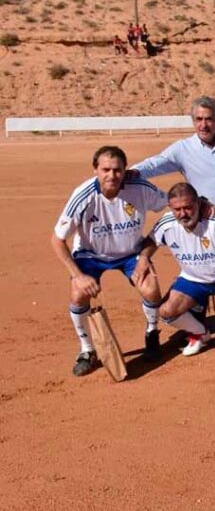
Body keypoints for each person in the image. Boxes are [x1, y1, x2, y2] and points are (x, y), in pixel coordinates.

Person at [50, 146, 168, 376]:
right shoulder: (83, 195)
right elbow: (56, 239)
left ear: (126, 170)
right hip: (91, 255)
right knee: (78, 294)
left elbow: (171, 203)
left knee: (151, 289)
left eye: (117, 170)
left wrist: (147, 252)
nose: (111, 175)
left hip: (130, 253)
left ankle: (152, 333)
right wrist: (79, 276)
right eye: (105, 169)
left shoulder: (140, 188)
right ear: (95, 169)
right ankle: (86, 349)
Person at [141, 183, 215, 358]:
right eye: (177, 209)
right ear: (171, 208)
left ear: (199, 203)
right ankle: (200, 333)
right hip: (192, 278)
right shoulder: (166, 223)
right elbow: (150, 242)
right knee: (166, 312)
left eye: (188, 207)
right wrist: (144, 258)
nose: (183, 213)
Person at [132, 96, 215, 216]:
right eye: (199, 119)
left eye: (208, 119)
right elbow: (155, 164)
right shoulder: (183, 149)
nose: (203, 125)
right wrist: (134, 172)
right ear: (193, 121)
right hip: (204, 219)